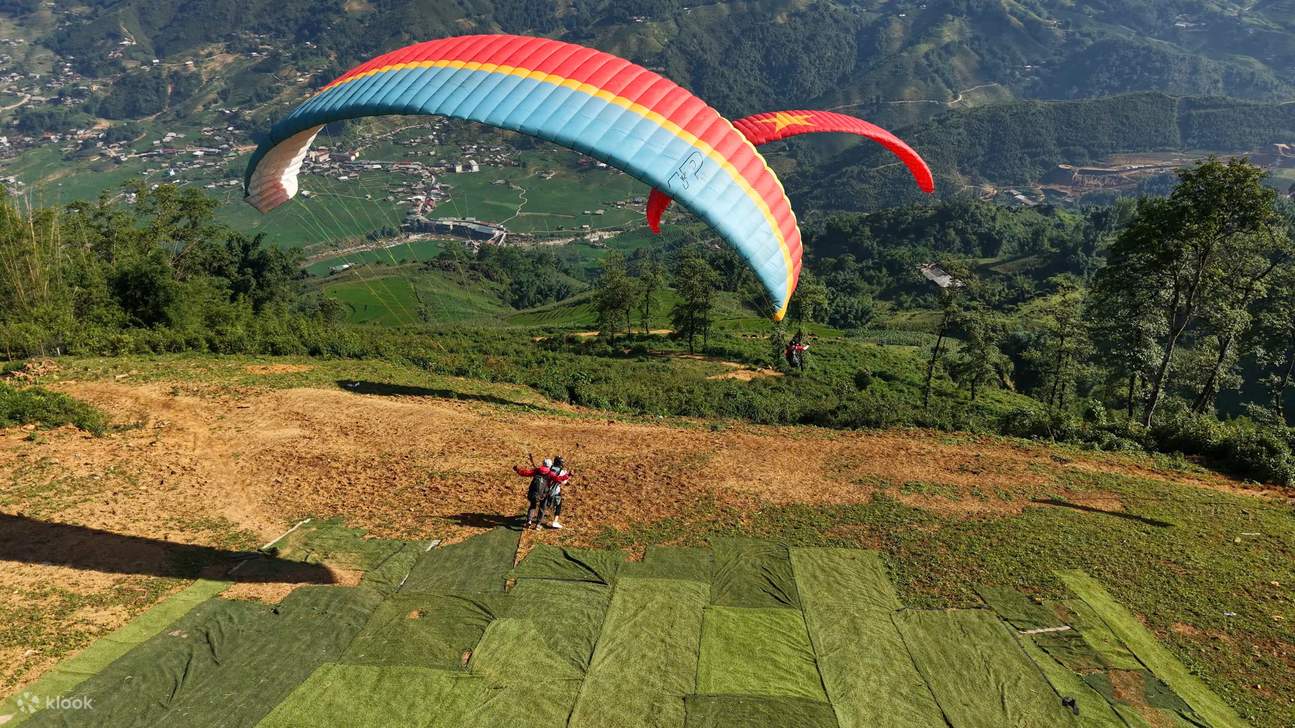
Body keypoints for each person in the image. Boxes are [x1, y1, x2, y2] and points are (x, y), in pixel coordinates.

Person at [514, 456, 556, 529]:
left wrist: (517, 470)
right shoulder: (550, 473)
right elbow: (559, 479)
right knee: (542, 508)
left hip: (534, 492)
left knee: (532, 506)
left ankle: (529, 521)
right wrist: (568, 475)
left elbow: (525, 473)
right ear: (550, 466)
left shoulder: (537, 470)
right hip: (544, 494)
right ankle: (538, 524)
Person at [539, 455, 570, 529]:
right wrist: (567, 475)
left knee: (543, 505)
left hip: (545, 490)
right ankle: (555, 522)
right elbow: (564, 482)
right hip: (555, 492)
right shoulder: (562, 472)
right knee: (558, 506)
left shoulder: (550, 468)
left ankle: (538, 521)